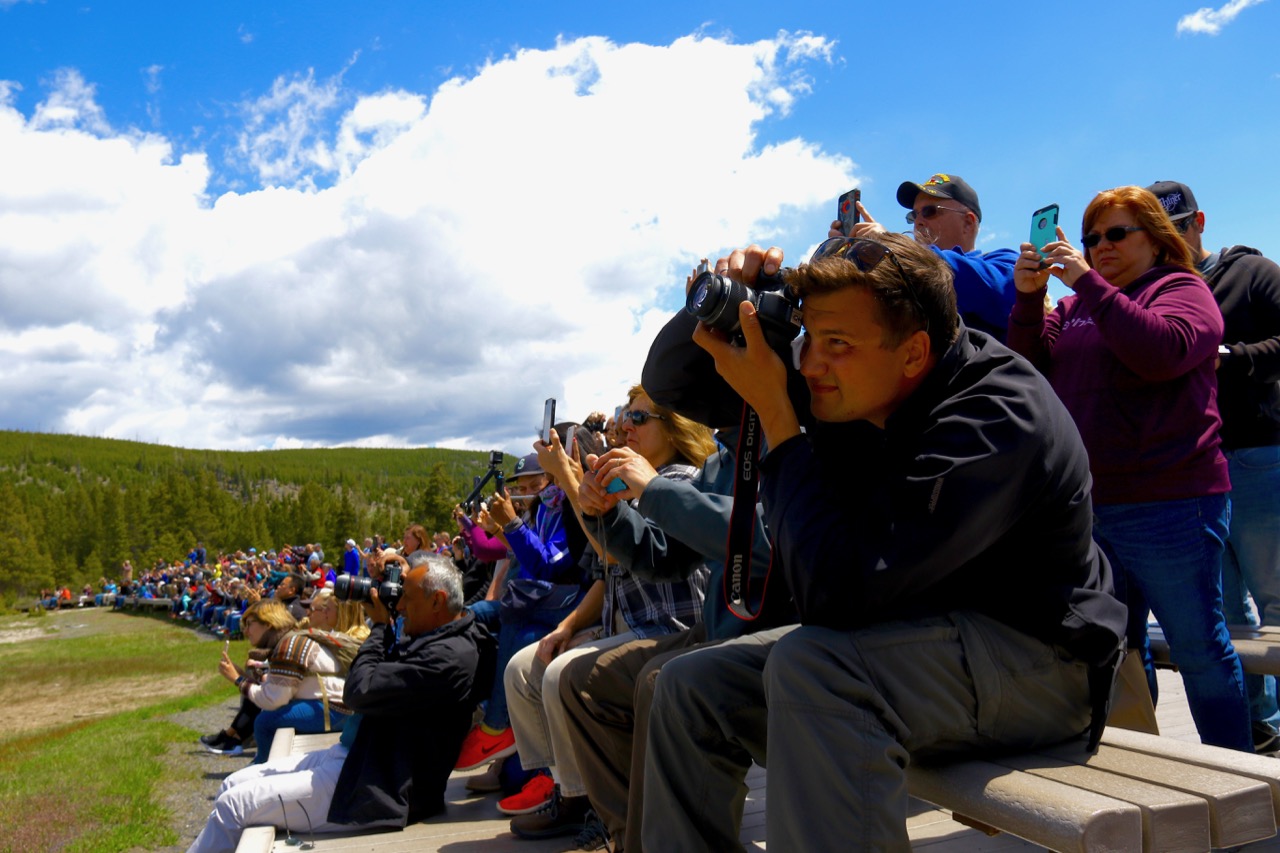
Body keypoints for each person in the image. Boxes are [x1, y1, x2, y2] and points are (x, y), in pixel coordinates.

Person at [642, 230, 1126, 850]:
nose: (810, 363)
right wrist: (722, 305)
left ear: (914, 352)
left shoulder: (999, 413)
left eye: (835, 344)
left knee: (816, 668)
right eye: (809, 338)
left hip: (1043, 663)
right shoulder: (853, 380)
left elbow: (838, 595)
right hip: (914, 640)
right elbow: (674, 385)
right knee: (689, 687)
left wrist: (781, 425)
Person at [1007, 184, 1249, 752]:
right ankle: (1153, 773)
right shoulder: (1073, 306)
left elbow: (1161, 352)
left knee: (1197, 650)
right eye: (1092, 238)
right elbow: (1028, 370)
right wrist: (1026, 298)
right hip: (1094, 506)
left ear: (1156, 238)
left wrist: (1086, 282)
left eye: (1116, 234)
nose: (1099, 246)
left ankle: (1245, 787)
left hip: (1172, 501)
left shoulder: (1182, 288)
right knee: (1118, 647)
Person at [501, 396, 713, 839]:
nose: (624, 427)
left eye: (638, 417)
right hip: (629, 625)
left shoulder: (680, 480)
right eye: (622, 418)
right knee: (524, 668)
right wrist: (568, 626)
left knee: (560, 674)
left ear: (674, 426)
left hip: (672, 628)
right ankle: (571, 790)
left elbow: (610, 553)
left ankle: (598, 810)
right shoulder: (628, 482)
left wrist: (565, 475)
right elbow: (605, 567)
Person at [186, 553, 496, 853]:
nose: (399, 605)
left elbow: (358, 691)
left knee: (234, 805)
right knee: (232, 784)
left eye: (407, 599)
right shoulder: (439, 631)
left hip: (377, 785)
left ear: (437, 601)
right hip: (360, 757)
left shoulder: (448, 658)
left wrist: (379, 626)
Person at [1147, 180, 1280, 751]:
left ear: (1198, 221)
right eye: (1158, 235)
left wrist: (1236, 359)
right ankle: (1260, 732)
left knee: (1276, 604)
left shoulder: (1254, 274)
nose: (1169, 243)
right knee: (1226, 614)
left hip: (1256, 457)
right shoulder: (1152, 292)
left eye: (1176, 231)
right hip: (1194, 472)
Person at [455, 452, 587, 772]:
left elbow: (545, 564)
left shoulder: (564, 507)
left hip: (556, 603)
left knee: (513, 617)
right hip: (537, 599)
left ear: (555, 477)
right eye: (521, 487)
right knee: (466, 616)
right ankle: (480, 715)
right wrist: (499, 528)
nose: (527, 491)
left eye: (535, 483)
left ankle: (497, 725)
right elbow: (512, 551)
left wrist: (509, 525)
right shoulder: (544, 507)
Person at [836, 173, 1017, 341]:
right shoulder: (900, 268)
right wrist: (844, 256)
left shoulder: (1005, 262)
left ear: (968, 223)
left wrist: (890, 245)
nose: (918, 221)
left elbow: (999, 294)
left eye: (930, 211)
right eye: (913, 215)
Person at [215, 598, 351, 763]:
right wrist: (244, 677)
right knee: (267, 718)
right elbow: (275, 691)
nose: (246, 631)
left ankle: (263, 770)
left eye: (250, 624)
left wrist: (238, 680)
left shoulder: (288, 646)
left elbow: (273, 700)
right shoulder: (289, 640)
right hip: (336, 707)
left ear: (268, 624)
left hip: (334, 710)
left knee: (265, 722)